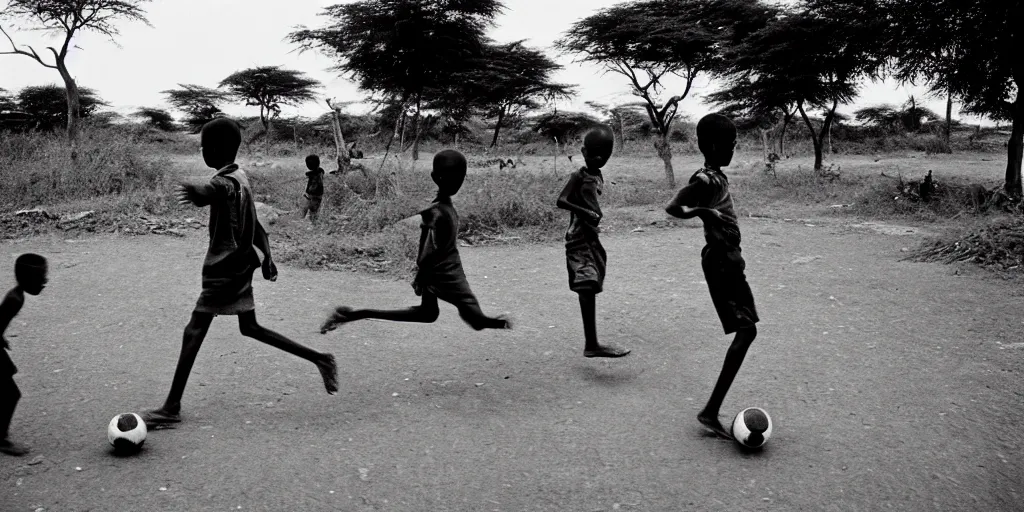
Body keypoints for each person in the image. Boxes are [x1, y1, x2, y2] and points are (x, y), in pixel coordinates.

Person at [142, 118, 338, 429]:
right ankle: (319, 358)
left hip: (225, 269)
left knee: (194, 329)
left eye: (204, 147)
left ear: (216, 149)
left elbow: (214, 190)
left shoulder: (226, 182)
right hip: (241, 264)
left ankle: (171, 407)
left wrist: (196, 190)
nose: (203, 151)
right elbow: (255, 222)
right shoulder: (241, 176)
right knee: (250, 328)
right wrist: (267, 256)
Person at [321, 149, 511, 334]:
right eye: (452, 177)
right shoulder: (438, 211)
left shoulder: (442, 207)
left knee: (429, 314)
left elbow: (427, 244)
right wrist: (421, 276)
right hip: (445, 274)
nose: (457, 182)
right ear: (435, 178)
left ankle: (356, 314)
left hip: (445, 270)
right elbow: (427, 248)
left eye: (459, 177)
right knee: (473, 320)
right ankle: (504, 324)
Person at [665, 113, 759, 439]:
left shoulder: (715, 176)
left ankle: (710, 409)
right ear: (716, 146)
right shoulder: (706, 180)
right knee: (746, 331)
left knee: (747, 332)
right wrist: (704, 212)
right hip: (721, 261)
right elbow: (674, 207)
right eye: (732, 145)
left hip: (728, 259)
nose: (735, 149)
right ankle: (709, 411)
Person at [556, 126, 630, 358]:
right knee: (586, 283)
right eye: (594, 153)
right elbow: (561, 200)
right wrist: (585, 213)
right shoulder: (578, 176)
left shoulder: (595, 175)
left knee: (592, 281)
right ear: (583, 151)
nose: (599, 158)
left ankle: (592, 343)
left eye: (605, 154)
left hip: (590, 236)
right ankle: (592, 345)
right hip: (579, 236)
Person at [0, 253, 48, 456]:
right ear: (27, 279)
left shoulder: (16, 295)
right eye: (41, 278)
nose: (45, 281)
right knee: (11, 394)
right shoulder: (15, 299)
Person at [301, 154, 326, 225]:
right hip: (317, 196)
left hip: (313, 196)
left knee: (312, 212)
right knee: (312, 211)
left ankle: (313, 225)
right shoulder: (320, 171)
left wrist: (308, 193)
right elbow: (315, 172)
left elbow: (314, 185)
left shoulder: (315, 175)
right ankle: (311, 223)